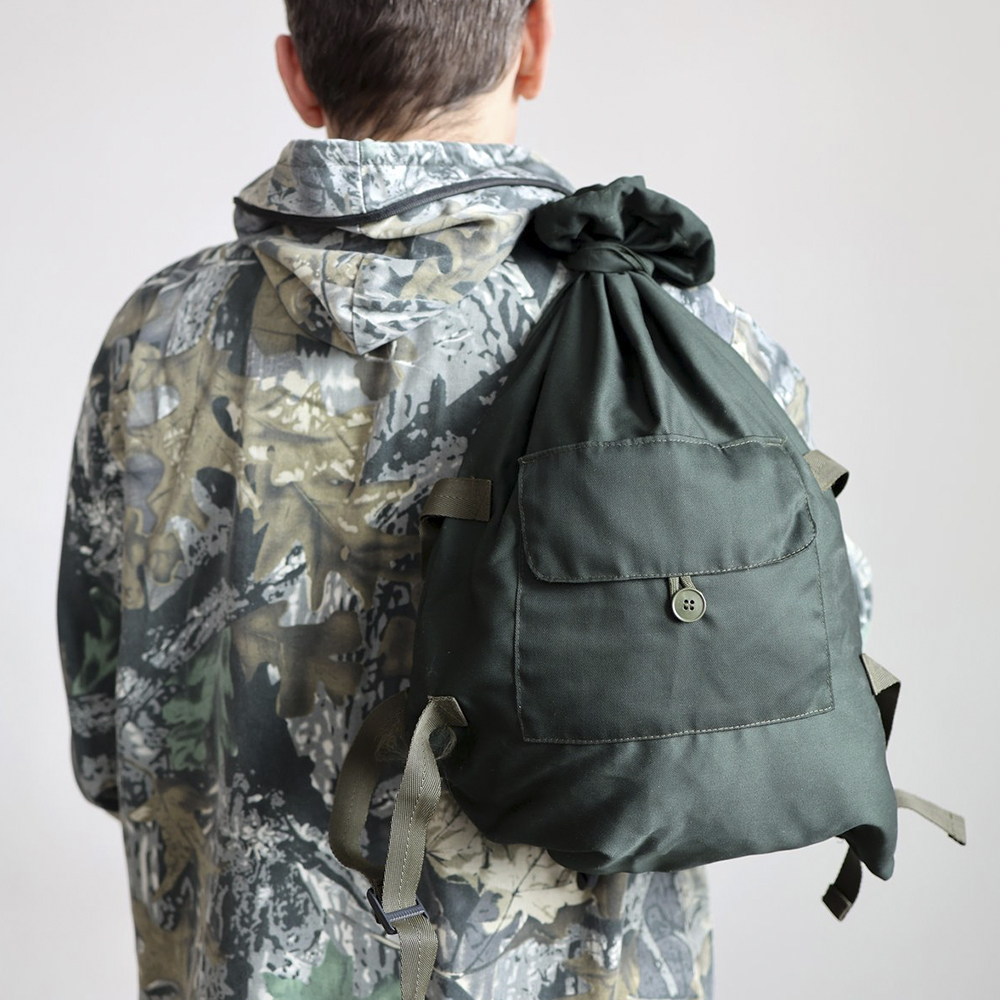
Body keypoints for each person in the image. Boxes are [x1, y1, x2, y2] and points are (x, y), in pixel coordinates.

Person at [56, 1, 872, 997]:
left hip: (250, 963)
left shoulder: (158, 335)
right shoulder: (675, 335)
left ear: (297, 74)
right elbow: (814, 654)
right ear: (532, 44)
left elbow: (110, 724)